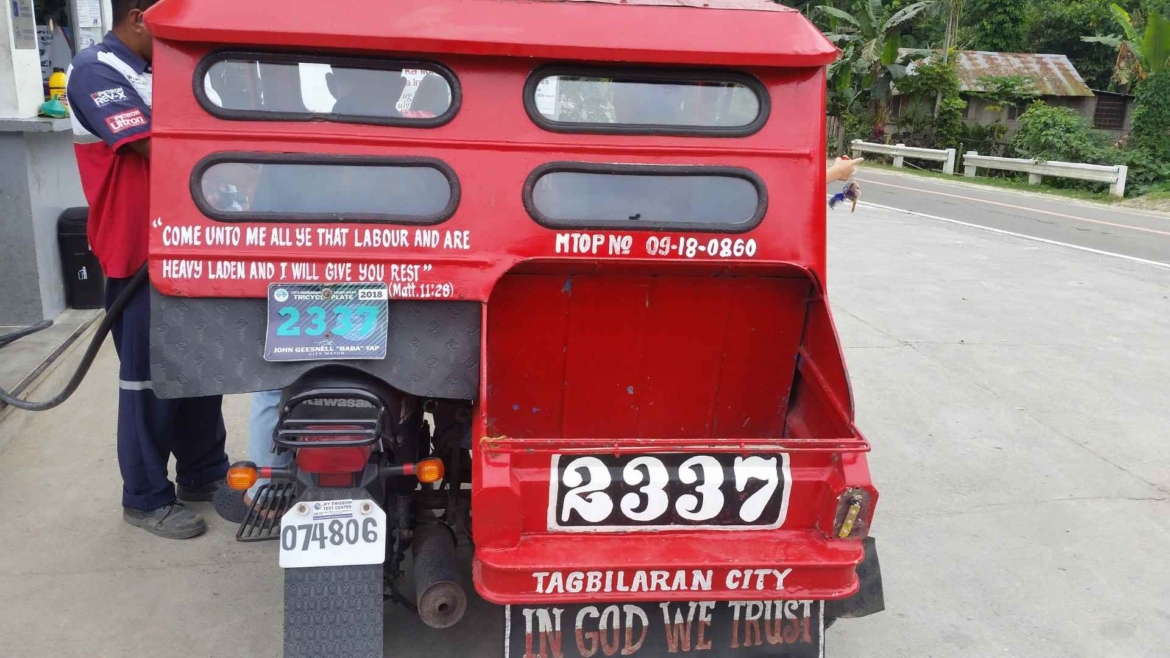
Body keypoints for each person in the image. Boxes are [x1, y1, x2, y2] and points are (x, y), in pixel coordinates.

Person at [67, 0, 230, 539]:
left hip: (188, 243)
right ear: (138, 17)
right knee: (148, 381)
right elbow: (145, 144)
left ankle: (203, 474)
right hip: (137, 251)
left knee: (201, 371)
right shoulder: (96, 71)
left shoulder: (163, 72)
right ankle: (144, 496)